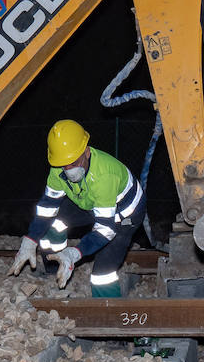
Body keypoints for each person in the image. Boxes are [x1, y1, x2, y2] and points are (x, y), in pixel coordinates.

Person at [9, 119, 145, 297]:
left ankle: (109, 312)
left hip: (124, 215)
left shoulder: (104, 176)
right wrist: (30, 240)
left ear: (87, 152)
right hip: (89, 202)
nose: (68, 169)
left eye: (73, 162)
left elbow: (105, 230)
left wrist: (75, 253)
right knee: (55, 221)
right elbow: (47, 207)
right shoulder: (57, 171)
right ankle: (54, 266)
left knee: (102, 275)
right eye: (63, 164)